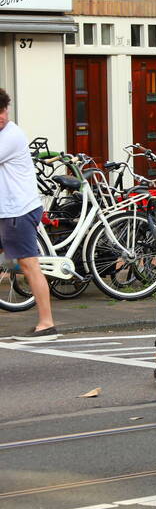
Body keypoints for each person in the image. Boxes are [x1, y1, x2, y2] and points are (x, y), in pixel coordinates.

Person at [0, 88, 57, 340]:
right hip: (6, 210)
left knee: (28, 264)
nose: (2, 116)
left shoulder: (11, 136)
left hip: (18, 210)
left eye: (2, 110)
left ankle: (47, 323)